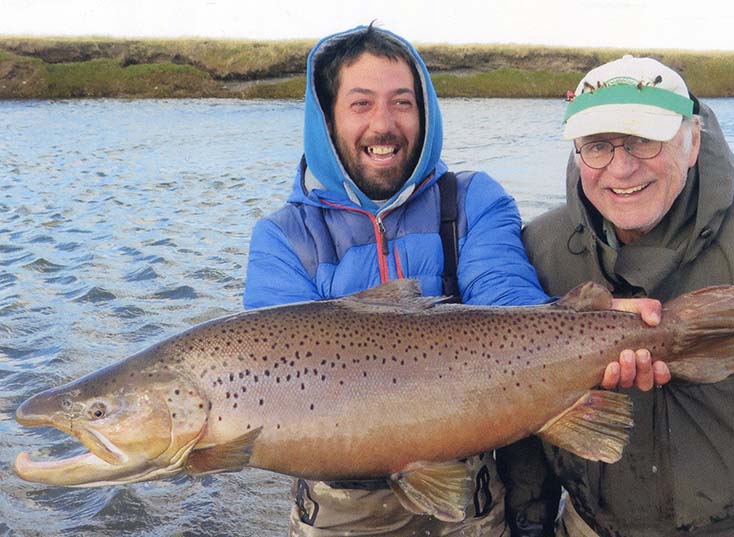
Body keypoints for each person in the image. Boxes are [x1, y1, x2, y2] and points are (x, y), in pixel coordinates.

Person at [243, 25, 660, 536]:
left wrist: (596, 330)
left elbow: (507, 298)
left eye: (402, 103)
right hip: (341, 508)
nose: (384, 125)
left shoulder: (470, 201)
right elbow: (270, 379)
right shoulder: (282, 237)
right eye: (361, 104)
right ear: (326, 117)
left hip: (471, 493)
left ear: (425, 112)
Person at [503, 55, 734, 537]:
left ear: (692, 141)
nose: (621, 169)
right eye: (597, 146)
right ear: (577, 153)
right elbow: (517, 421)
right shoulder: (538, 249)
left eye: (643, 139)